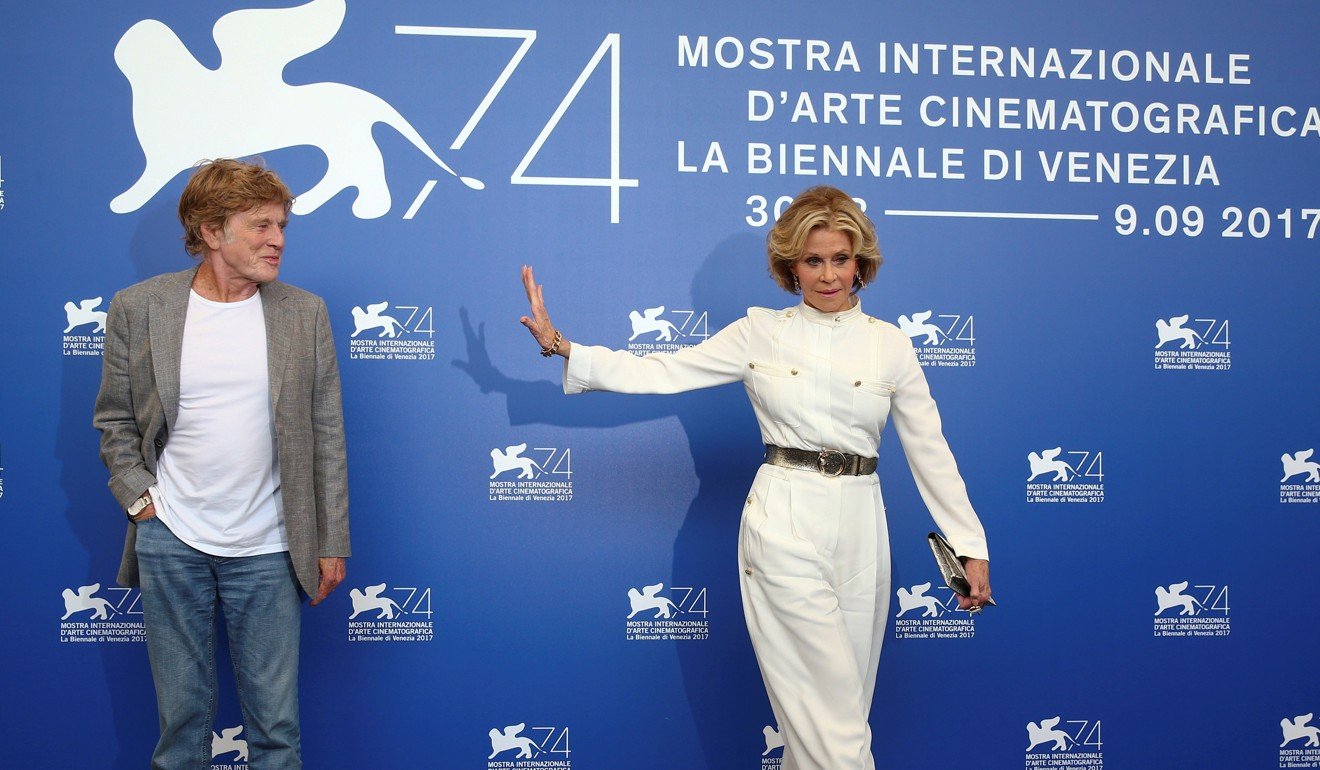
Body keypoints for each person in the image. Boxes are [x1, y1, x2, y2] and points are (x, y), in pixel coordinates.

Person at [518, 185, 990, 770]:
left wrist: (968, 545)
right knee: (838, 738)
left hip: (864, 526)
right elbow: (663, 370)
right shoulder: (759, 331)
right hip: (784, 523)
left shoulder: (890, 345)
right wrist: (564, 348)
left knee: (831, 723)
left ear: (860, 263)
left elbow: (930, 449)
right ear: (791, 265)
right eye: (813, 260)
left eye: (840, 259)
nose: (827, 275)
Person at [93, 158, 350, 770]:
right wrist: (139, 499)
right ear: (211, 232)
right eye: (260, 225)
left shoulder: (304, 312)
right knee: (180, 725)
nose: (278, 240)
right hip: (171, 537)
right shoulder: (140, 307)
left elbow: (326, 436)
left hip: (271, 543)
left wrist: (331, 538)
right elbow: (114, 419)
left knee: (276, 729)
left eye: (282, 226)